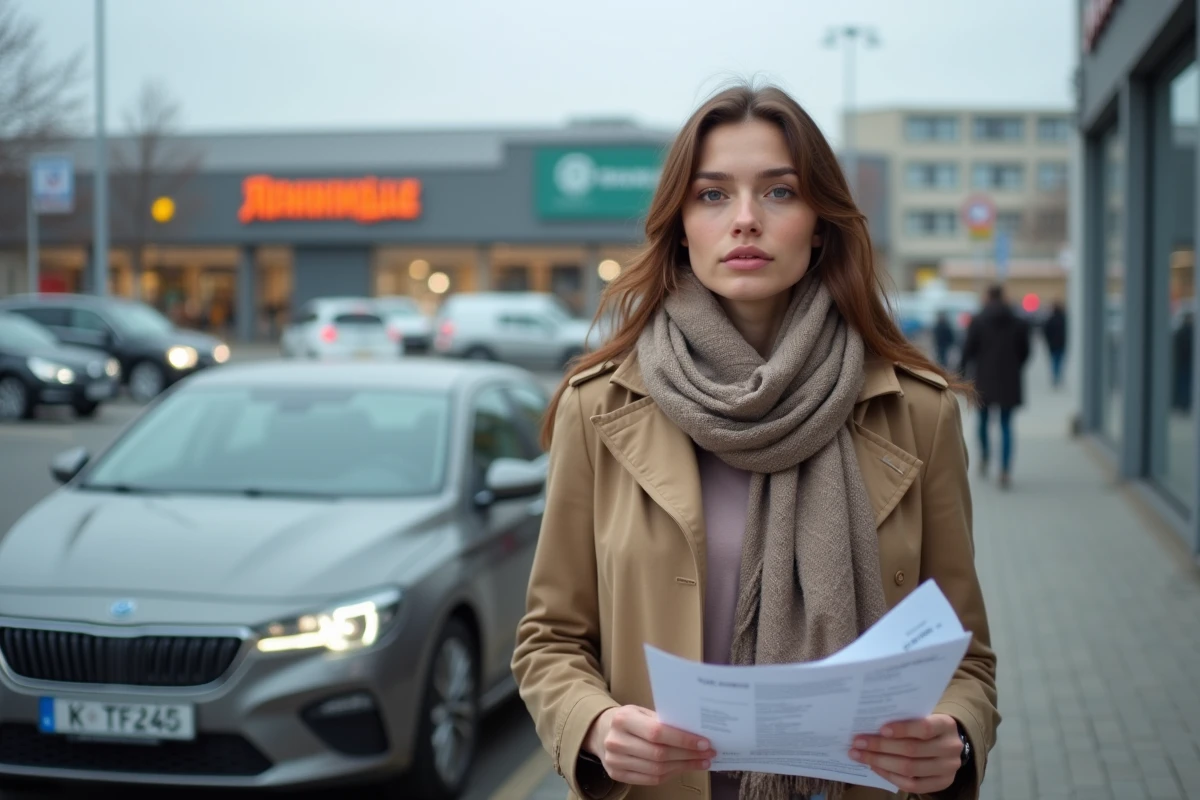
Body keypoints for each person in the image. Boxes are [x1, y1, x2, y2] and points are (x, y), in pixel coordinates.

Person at [513, 84, 998, 800]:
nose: (745, 220)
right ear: (680, 224)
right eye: (713, 196)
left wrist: (954, 737)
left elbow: (966, 657)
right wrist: (594, 725)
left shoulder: (917, 413)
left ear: (821, 224)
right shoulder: (600, 408)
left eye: (778, 193)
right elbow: (549, 641)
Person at [959, 285, 1030, 489]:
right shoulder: (1018, 322)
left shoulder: (978, 321)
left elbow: (967, 350)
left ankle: (985, 456)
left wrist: (961, 375)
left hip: (984, 380)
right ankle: (1005, 470)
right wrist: (1014, 367)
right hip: (1010, 380)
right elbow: (1025, 353)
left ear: (988, 297)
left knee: (982, 421)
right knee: (1007, 425)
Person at [1041, 301, 1067, 388]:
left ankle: (1055, 377)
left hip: (1053, 344)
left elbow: (1045, 332)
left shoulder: (1050, 319)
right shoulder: (1063, 319)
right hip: (1061, 343)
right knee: (1059, 361)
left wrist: (1048, 341)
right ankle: (1057, 377)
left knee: (1054, 361)